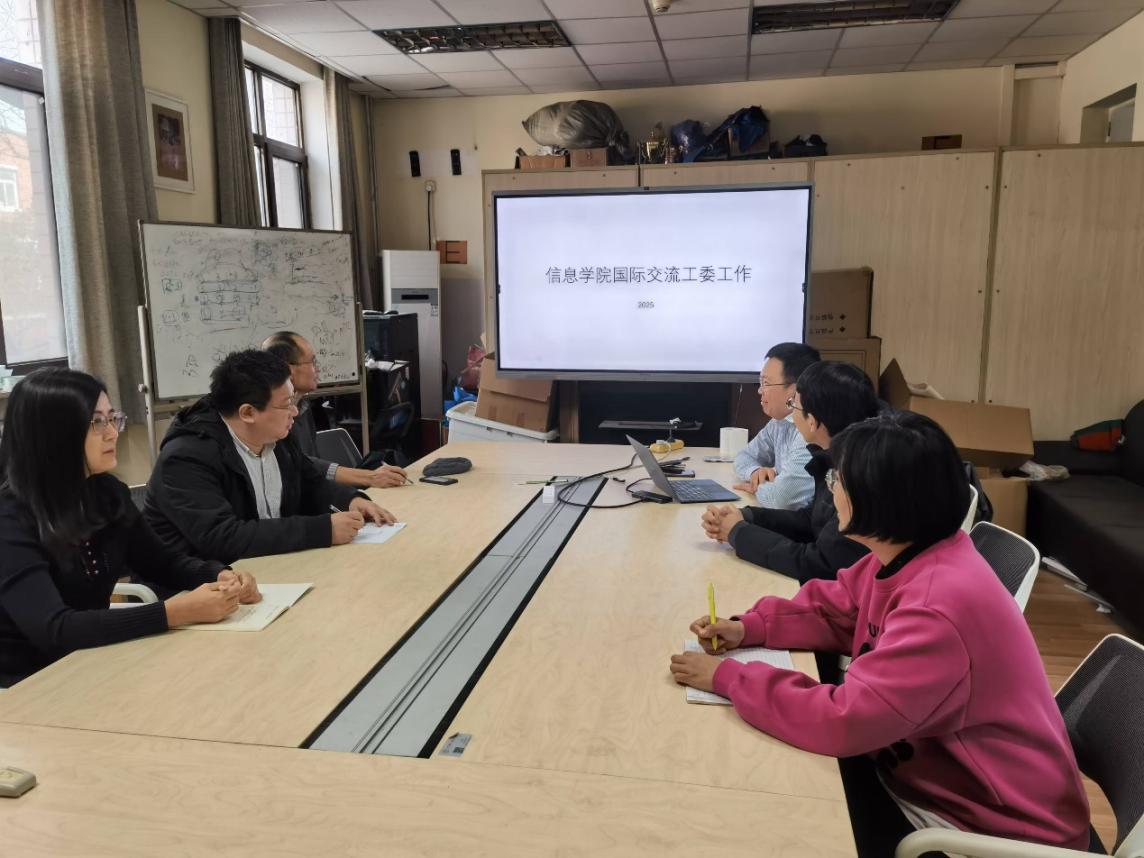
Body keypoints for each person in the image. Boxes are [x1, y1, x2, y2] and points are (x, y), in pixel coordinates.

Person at [672, 411, 1091, 854]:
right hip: (925, 776)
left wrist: (729, 678)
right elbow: (837, 611)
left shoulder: (937, 608)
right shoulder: (908, 555)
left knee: (763, 813)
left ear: (880, 500)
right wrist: (749, 627)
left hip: (988, 828)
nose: (831, 490)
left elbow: (843, 721)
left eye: (838, 479)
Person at [0, 369, 261, 688]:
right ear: (54, 434)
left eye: (113, 418)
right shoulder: (10, 519)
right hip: (26, 685)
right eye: (97, 422)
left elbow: (162, 563)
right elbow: (55, 629)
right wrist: (173, 613)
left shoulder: (106, 493)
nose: (112, 433)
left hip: (93, 662)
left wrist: (219, 575)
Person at [145, 349, 395, 565]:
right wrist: (322, 530)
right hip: (201, 587)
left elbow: (310, 483)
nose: (294, 412)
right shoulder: (186, 458)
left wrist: (351, 500)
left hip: (270, 566)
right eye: (286, 404)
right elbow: (222, 538)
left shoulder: (275, 435)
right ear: (247, 413)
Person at [703, 361, 880, 584]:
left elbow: (819, 564)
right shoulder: (838, 456)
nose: (791, 414)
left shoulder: (858, 476)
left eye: (793, 405)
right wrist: (746, 517)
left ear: (812, 421)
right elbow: (812, 521)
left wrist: (738, 533)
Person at [262, 331, 408, 489]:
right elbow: (302, 467)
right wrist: (369, 477)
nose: (318, 369)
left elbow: (311, 468)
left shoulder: (303, 407)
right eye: (312, 362)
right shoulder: (270, 420)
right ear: (288, 369)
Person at [731, 342, 820, 508]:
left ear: (796, 389)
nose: (760, 390)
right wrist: (755, 473)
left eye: (766, 383)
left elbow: (782, 500)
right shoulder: (779, 422)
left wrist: (758, 487)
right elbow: (744, 456)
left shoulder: (812, 429)